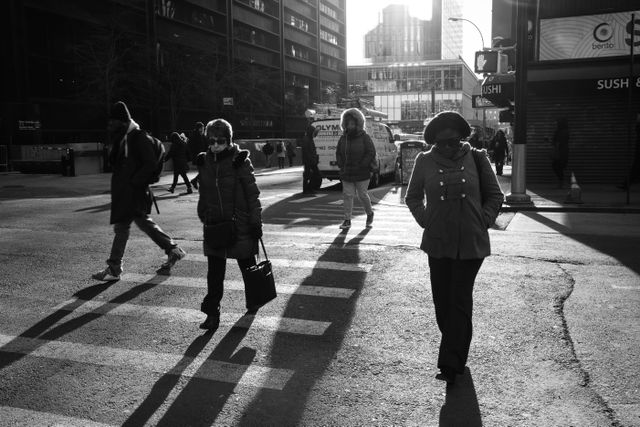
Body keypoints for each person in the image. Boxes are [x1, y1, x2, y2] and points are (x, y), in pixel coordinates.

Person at [405, 111, 503, 385]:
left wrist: (483, 220)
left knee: (459, 300)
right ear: (434, 142)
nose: (448, 147)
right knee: (442, 304)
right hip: (438, 242)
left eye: (453, 142)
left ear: (461, 139)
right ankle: (456, 346)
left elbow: (496, 195)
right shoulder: (424, 161)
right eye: (442, 143)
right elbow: (412, 197)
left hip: (471, 243)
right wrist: (426, 220)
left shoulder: (477, 157)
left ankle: (451, 362)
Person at [92, 101, 186, 281]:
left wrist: (134, 183)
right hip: (127, 192)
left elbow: (149, 164)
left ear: (123, 122)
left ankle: (115, 267)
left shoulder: (138, 138)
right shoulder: (123, 139)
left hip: (134, 192)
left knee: (128, 226)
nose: (110, 126)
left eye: (113, 123)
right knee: (134, 225)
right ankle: (172, 250)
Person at [195, 118, 263, 332]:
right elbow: (204, 193)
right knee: (214, 273)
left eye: (220, 141)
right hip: (215, 224)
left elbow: (253, 194)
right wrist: (203, 213)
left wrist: (255, 222)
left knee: (247, 266)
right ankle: (212, 313)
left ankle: (254, 301)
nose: (215, 145)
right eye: (212, 140)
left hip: (240, 224)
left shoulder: (240, 160)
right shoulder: (204, 161)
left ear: (229, 140)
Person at [335, 108, 376, 229]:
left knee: (362, 195)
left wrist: (363, 164)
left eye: (352, 123)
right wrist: (341, 164)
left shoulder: (365, 137)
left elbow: (371, 152)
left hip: (362, 171)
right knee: (347, 195)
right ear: (344, 124)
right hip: (347, 171)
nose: (350, 126)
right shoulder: (343, 138)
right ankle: (347, 220)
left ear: (358, 124)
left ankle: (370, 213)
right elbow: (338, 152)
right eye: (348, 124)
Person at [301, 119, 320, 194]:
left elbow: (311, 150)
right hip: (309, 161)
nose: (314, 133)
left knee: (309, 175)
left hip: (310, 160)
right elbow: (306, 151)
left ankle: (308, 188)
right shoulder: (306, 139)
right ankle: (307, 189)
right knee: (313, 174)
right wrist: (312, 159)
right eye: (313, 131)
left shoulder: (309, 138)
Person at [551, 118, 570, 188]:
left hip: (560, 151)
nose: (555, 125)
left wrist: (555, 151)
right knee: (559, 166)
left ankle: (561, 182)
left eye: (557, 123)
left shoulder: (560, 132)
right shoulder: (565, 131)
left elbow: (557, 142)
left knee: (557, 166)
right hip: (564, 151)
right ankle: (561, 182)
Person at [188, 122, 207, 189]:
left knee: (204, 170)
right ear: (199, 128)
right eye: (202, 128)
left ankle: (195, 180)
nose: (203, 129)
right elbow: (193, 147)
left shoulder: (201, 135)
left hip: (202, 155)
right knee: (204, 170)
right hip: (198, 156)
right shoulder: (196, 136)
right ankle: (196, 181)